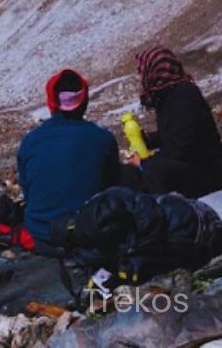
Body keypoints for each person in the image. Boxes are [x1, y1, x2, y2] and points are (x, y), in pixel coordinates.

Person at [18, 69, 120, 248]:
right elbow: (112, 185)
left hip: (41, 235)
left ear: (52, 101)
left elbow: (27, 191)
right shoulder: (103, 138)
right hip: (92, 231)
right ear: (84, 102)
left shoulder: (30, 141)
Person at [130, 46, 222, 198]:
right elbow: (175, 132)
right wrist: (148, 140)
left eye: (141, 71)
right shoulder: (167, 95)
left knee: (154, 172)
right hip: (193, 164)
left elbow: (181, 146)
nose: (140, 77)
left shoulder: (184, 95)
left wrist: (144, 163)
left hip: (207, 171)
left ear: (154, 71)